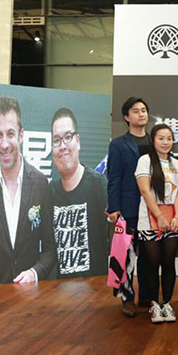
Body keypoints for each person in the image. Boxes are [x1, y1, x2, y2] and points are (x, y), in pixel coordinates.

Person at [0, 96, 56, 285]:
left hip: (32, 297)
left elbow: (50, 250)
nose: (4, 144)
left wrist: (35, 273)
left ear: (21, 135)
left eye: (10, 134)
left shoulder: (40, 184)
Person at [50, 108, 108, 278]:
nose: (62, 146)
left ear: (78, 141)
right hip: (59, 289)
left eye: (68, 137)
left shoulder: (98, 184)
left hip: (95, 288)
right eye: (56, 140)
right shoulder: (50, 191)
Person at [107, 97, 150, 316]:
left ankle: (147, 296)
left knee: (149, 255)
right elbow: (113, 177)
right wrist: (114, 207)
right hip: (128, 206)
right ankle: (127, 297)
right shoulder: (118, 144)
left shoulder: (155, 141)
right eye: (136, 111)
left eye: (143, 110)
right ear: (126, 117)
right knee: (127, 254)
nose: (141, 114)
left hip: (151, 207)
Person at [135, 124, 178, 323]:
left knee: (169, 263)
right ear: (152, 140)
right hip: (149, 220)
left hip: (172, 220)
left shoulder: (176, 164)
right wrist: (159, 217)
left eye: (169, 138)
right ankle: (155, 304)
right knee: (152, 264)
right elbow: (145, 191)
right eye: (161, 138)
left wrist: (177, 217)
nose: (165, 142)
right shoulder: (145, 161)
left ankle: (167, 304)